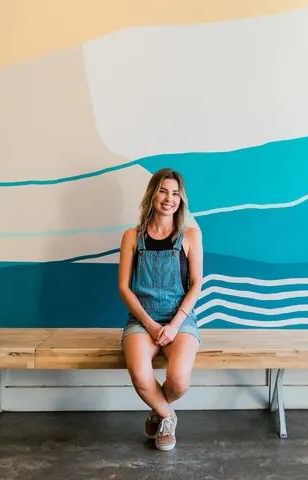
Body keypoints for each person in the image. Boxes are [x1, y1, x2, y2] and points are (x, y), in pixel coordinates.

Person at [117, 167, 203, 451]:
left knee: (178, 381)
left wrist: (175, 324)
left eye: (175, 193)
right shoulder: (132, 236)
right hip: (142, 319)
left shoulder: (190, 235)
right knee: (141, 376)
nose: (169, 199)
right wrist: (151, 325)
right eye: (163, 191)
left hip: (181, 319)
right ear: (152, 195)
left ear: (182, 199)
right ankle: (167, 416)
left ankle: (157, 409)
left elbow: (196, 285)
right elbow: (124, 288)